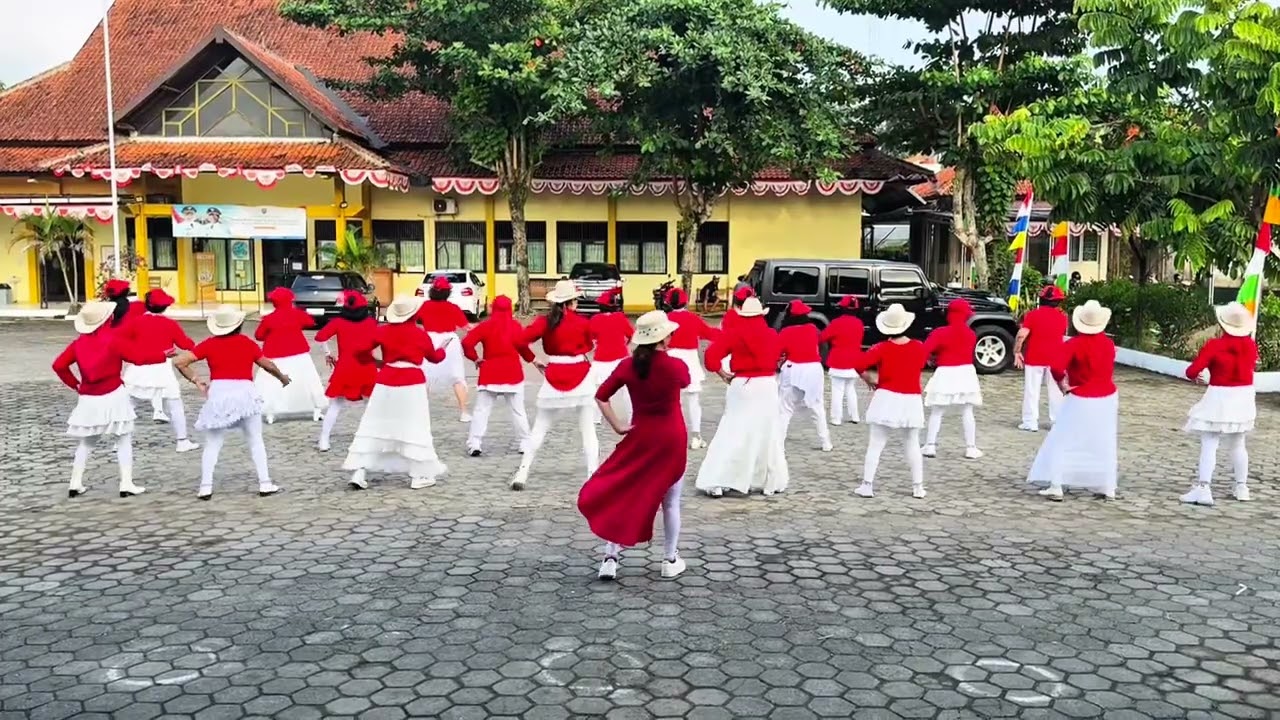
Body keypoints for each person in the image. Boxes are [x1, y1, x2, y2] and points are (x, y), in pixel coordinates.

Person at [578, 311, 690, 581]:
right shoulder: (676, 366)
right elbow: (685, 382)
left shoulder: (627, 366)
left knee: (625, 493)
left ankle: (610, 557)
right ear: (664, 338)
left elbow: (601, 396)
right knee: (671, 502)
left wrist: (617, 425)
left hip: (639, 437)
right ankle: (669, 559)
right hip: (671, 439)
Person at [174, 306, 289, 500]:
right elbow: (267, 364)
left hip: (219, 392)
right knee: (255, 440)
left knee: (213, 443)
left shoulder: (209, 344)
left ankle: (205, 486)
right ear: (240, 325)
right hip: (245, 392)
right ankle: (265, 483)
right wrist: (282, 377)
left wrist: (196, 380)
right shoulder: (246, 343)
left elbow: (180, 361)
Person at [344, 296, 451, 490]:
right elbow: (434, 358)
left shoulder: (383, 331)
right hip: (412, 383)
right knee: (415, 425)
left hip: (386, 380)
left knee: (373, 424)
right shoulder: (420, 335)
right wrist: (442, 349)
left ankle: (359, 471)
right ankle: (419, 475)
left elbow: (359, 350)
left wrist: (376, 363)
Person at [52, 301, 149, 498]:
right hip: (114, 393)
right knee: (123, 438)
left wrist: (76, 384)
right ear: (107, 319)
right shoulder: (113, 339)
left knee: (86, 442)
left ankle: (75, 482)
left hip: (88, 396)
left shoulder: (78, 344)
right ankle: (126, 483)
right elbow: (138, 358)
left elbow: (59, 365)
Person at [510, 279, 600, 490]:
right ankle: (592, 474)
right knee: (587, 428)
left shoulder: (544, 322)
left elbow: (519, 341)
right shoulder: (583, 322)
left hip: (555, 374)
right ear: (572, 302)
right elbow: (590, 344)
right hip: (580, 373)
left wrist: (532, 359)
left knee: (540, 427)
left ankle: (522, 471)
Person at [1026, 300, 1119, 502]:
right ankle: (1107, 485)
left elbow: (1057, 367)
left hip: (1081, 396)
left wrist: (1063, 385)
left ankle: (1056, 484)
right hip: (1108, 397)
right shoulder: (1108, 344)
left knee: (1062, 439)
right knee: (1104, 439)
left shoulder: (1074, 344)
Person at [695, 297, 788, 497]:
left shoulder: (734, 334)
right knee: (766, 433)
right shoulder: (772, 334)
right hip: (767, 386)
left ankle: (719, 479)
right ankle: (766, 481)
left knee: (732, 430)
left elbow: (711, 357)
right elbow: (781, 354)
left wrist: (722, 374)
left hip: (742, 385)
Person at [1180, 302, 1257, 505]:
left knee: (1210, 442)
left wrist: (1200, 378)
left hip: (1219, 396)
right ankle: (1242, 487)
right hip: (1243, 397)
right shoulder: (1250, 346)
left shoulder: (1215, 345)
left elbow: (1191, 371)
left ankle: (1204, 488)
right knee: (1239, 444)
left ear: (1222, 324)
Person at [852, 304, 928, 499]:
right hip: (911, 398)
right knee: (912, 443)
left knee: (876, 444)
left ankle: (867, 485)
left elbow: (858, 363)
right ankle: (918, 486)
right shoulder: (919, 347)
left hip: (886, 397)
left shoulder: (881, 348)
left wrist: (869, 378)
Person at [120, 289, 199, 453]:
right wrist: (196, 347)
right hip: (162, 369)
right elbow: (184, 343)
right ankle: (182, 441)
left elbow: (121, 340)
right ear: (165, 307)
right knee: (175, 404)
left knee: (128, 406)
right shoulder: (170, 324)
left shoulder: (136, 322)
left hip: (138, 368)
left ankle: (118, 442)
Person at [461, 295, 534, 457]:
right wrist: (533, 360)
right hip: (512, 372)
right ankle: (525, 442)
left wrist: (475, 358)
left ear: (493, 308)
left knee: (482, 410)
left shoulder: (485, 326)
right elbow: (523, 347)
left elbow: (466, 343)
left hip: (490, 372)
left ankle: (475, 443)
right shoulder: (515, 326)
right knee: (518, 410)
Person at [315, 290, 379, 452]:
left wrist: (328, 354)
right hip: (366, 366)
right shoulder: (371, 322)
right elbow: (377, 341)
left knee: (336, 405)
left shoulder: (338, 322)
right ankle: (372, 438)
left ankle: (324, 439)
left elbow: (321, 337)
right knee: (370, 405)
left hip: (345, 367)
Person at [921, 299, 983, 459]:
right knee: (967, 411)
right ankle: (971, 447)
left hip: (945, 372)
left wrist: (931, 358)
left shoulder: (940, 332)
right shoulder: (970, 334)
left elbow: (925, 350)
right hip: (966, 372)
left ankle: (930, 445)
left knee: (937, 411)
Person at [254, 287, 327, 424]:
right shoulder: (297, 314)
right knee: (306, 381)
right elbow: (310, 322)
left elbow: (259, 335)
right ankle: (315, 409)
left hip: (275, 355)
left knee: (271, 383)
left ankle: (270, 411)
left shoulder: (269, 319)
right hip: (299, 354)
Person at [664, 287, 720, 449]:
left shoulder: (666, 320)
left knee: (672, 401)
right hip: (689, 360)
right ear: (685, 302)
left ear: (669, 302)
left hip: (670, 359)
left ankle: (671, 436)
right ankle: (696, 436)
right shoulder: (692, 318)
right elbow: (709, 333)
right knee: (693, 401)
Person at [777, 299, 832, 451]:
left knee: (785, 408)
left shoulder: (785, 332)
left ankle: (778, 443)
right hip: (814, 369)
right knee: (817, 406)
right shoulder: (813, 329)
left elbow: (777, 351)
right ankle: (825, 441)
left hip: (793, 368)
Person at [416, 276, 472, 422]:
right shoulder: (453, 308)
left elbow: (413, 321)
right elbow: (467, 327)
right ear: (448, 293)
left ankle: (420, 413)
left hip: (429, 340)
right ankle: (464, 412)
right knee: (457, 376)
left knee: (424, 377)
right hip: (450, 341)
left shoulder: (424, 306)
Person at [1015, 285, 1069, 431]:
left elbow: (1022, 334)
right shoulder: (1063, 318)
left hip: (1034, 358)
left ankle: (1030, 422)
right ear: (1058, 302)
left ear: (1041, 299)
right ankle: (1057, 422)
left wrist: (1017, 351)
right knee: (1056, 392)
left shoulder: (1032, 315)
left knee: (1031, 391)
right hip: (1056, 359)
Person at [588, 287, 634, 426]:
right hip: (620, 358)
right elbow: (630, 334)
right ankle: (632, 416)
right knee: (628, 390)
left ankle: (596, 418)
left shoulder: (595, 319)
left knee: (596, 389)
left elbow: (591, 338)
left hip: (601, 360)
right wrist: (626, 344)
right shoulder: (620, 317)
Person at [819, 296, 864, 425]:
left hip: (838, 360)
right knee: (850, 389)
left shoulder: (837, 322)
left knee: (837, 391)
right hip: (854, 361)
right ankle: (855, 416)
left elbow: (822, 337)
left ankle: (836, 418)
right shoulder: (859, 323)